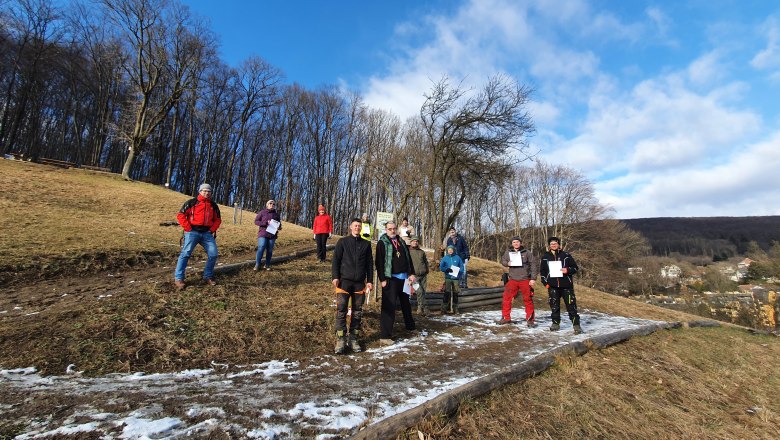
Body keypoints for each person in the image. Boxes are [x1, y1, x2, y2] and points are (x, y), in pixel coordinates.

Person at [331, 218, 374, 354]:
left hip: (359, 284)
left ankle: (354, 338)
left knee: (357, 312)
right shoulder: (342, 242)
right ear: (350, 227)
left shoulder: (366, 244)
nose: (357, 228)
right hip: (344, 282)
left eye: (359, 226)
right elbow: (336, 260)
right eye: (355, 226)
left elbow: (369, 264)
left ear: (361, 228)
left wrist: (370, 281)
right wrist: (335, 277)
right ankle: (341, 339)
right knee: (341, 310)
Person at [375, 221, 417, 345]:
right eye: (390, 229)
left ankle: (410, 327)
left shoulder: (402, 242)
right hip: (390, 279)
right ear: (386, 230)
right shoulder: (382, 243)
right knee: (389, 306)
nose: (392, 231)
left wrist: (411, 273)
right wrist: (382, 279)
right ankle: (385, 335)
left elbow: (408, 259)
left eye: (394, 229)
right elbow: (379, 262)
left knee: (406, 305)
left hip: (404, 278)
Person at [174, 183, 221, 289]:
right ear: (200, 191)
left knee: (213, 254)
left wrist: (211, 230)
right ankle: (179, 278)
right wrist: (188, 228)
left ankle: (208, 276)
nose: (206, 193)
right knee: (185, 254)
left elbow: (218, 219)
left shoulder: (213, 205)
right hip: (192, 232)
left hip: (207, 233)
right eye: (204, 191)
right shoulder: (191, 203)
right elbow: (181, 215)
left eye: (208, 191)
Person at [540, 236, 582, 334]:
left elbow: (575, 268)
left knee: (571, 306)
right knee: (554, 306)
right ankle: (555, 323)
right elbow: (542, 272)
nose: (553, 245)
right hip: (552, 286)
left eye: (555, 243)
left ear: (558, 244)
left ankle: (576, 325)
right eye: (551, 244)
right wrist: (545, 283)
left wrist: (567, 270)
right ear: (549, 246)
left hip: (566, 285)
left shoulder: (566, 255)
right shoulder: (545, 256)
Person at [497, 237, 538, 327]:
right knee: (506, 298)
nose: (516, 243)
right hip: (512, 279)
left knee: (528, 299)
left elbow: (533, 265)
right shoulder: (508, 252)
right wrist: (507, 263)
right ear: (512, 244)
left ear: (521, 243)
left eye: (517, 242)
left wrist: (533, 278)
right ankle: (506, 318)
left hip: (525, 279)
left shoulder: (527, 252)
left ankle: (530, 320)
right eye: (514, 242)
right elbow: (503, 260)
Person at [254, 199, 282, 271]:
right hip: (263, 233)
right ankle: (257, 264)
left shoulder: (276, 214)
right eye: (270, 203)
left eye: (273, 204)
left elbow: (280, 225)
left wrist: (279, 227)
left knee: (269, 250)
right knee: (262, 246)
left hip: (272, 235)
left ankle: (267, 264)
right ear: (267, 205)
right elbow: (256, 221)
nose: (272, 205)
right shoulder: (262, 212)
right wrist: (265, 223)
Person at [439, 245, 465, 313]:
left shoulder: (458, 258)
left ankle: (455, 308)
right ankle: (444, 308)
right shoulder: (445, 258)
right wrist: (446, 269)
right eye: (449, 250)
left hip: (455, 279)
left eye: (451, 250)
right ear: (447, 251)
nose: (450, 251)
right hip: (448, 278)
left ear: (454, 250)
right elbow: (441, 267)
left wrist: (458, 274)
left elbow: (462, 267)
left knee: (455, 293)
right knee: (447, 293)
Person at [408, 236, 430, 315]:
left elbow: (425, 261)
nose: (415, 242)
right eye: (413, 241)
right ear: (411, 242)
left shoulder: (422, 252)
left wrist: (427, 269)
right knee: (419, 291)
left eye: (416, 241)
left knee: (423, 292)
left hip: (423, 275)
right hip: (414, 276)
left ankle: (420, 309)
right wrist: (409, 274)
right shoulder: (408, 252)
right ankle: (426, 308)